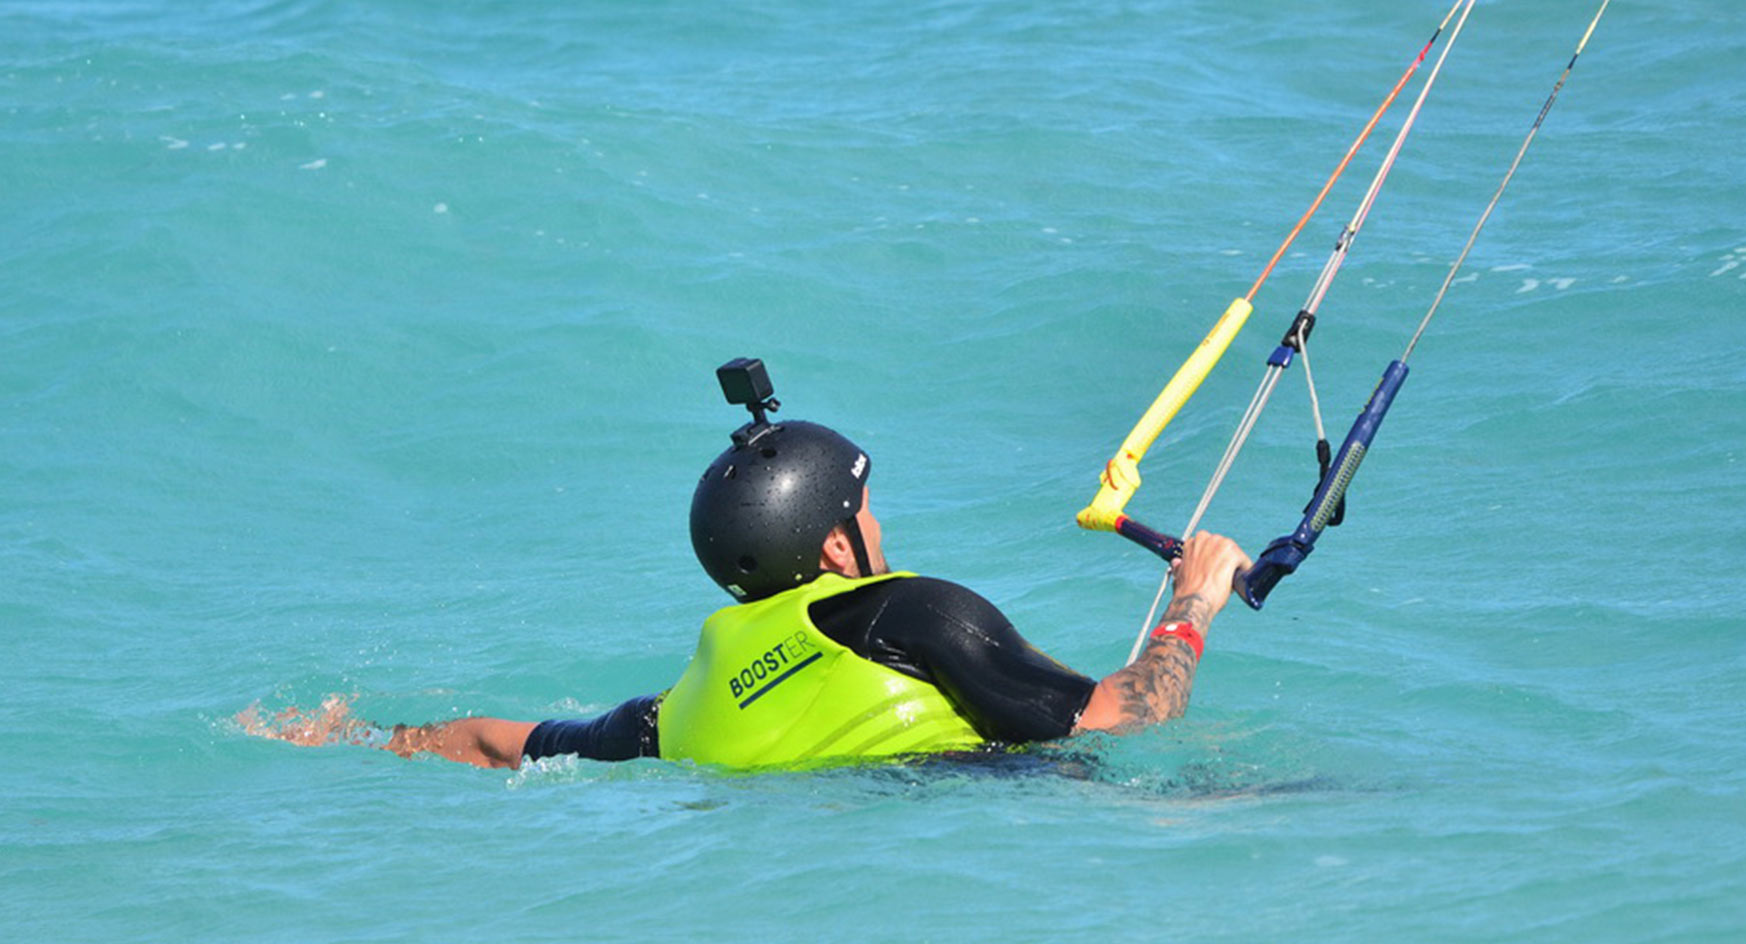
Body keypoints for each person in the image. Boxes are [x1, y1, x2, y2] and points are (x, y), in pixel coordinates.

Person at [243, 359, 1250, 770]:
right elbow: (1129, 715)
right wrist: (1196, 599)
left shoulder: (671, 712)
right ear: (836, 546)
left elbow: (499, 745)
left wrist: (359, 735)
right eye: (867, 509)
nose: (879, 528)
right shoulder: (914, 614)